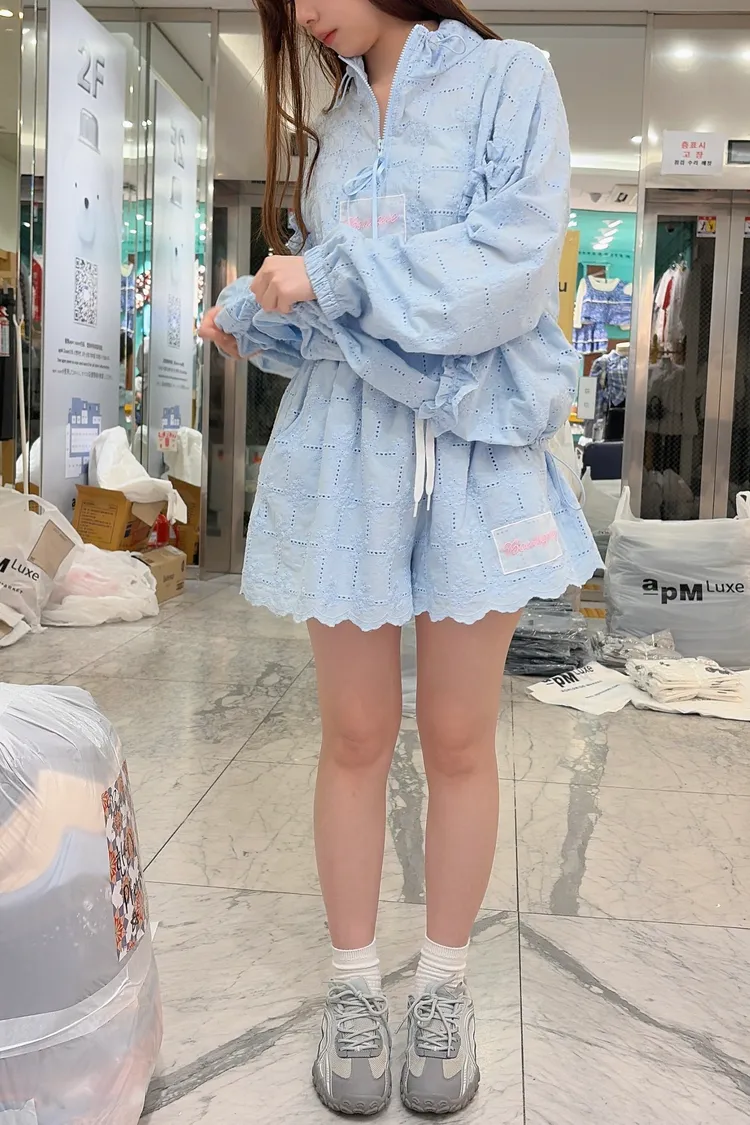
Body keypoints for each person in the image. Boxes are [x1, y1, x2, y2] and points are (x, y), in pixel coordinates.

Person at [199, 0, 600, 1115]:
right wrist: (260, 313)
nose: (305, 15)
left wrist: (328, 276)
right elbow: (347, 328)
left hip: (476, 451)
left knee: (460, 737)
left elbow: (507, 271)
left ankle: (444, 988)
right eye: (285, 4)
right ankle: (350, 988)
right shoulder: (334, 123)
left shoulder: (512, 79)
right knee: (354, 735)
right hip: (349, 454)